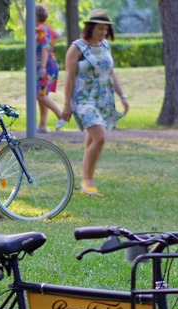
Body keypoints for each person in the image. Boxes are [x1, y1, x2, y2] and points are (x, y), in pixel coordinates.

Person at [60, 9, 129, 195]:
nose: (103, 32)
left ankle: (87, 182)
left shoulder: (105, 45)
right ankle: (87, 181)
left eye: (106, 29)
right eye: (100, 28)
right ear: (90, 28)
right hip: (83, 99)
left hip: (103, 99)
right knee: (100, 137)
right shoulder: (77, 47)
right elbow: (69, 78)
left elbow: (111, 73)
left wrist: (123, 96)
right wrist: (67, 104)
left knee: (93, 140)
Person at [34, 5, 64, 133]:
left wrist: (42, 67)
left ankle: (61, 116)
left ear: (35, 17)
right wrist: (51, 46)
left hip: (45, 66)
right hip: (49, 64)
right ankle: (42, 125)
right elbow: (56, 36)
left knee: (38, 94)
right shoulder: (46, 27)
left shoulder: (41, 30)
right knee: (42, 94)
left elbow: (45, 48)